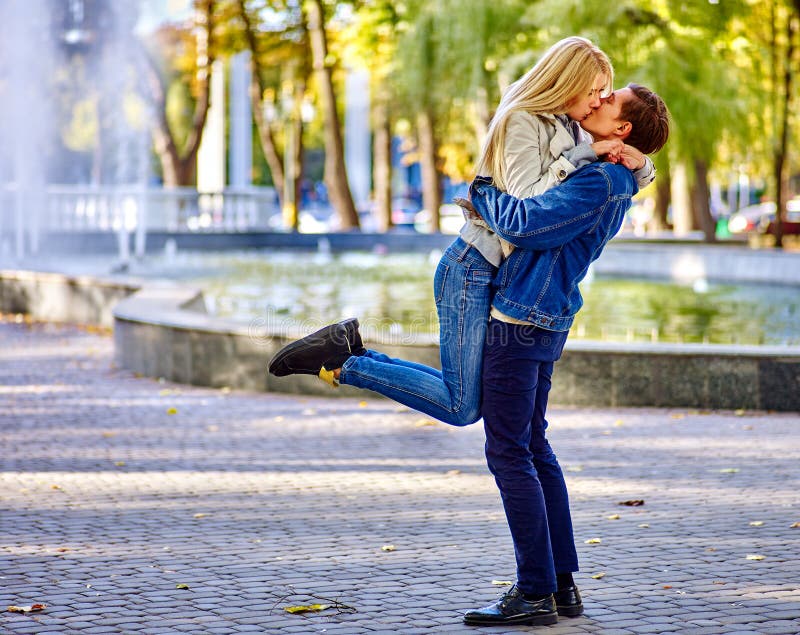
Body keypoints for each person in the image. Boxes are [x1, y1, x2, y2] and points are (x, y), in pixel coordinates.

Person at [269, 37, 663, 428]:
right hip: (471, 267)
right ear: (567, 82)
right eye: (593, 91)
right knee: (462, 406)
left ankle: (345, 352)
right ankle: (346, 363)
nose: (597, 101)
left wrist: (642, 164)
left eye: (604, 93)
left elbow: (595, 182)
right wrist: (584, 155)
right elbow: (527, 208)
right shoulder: (523, 120)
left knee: (465, 398)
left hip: (498, 273)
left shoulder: (571, 127)